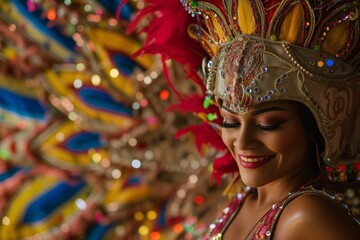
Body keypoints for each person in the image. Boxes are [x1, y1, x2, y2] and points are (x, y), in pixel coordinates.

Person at [130, 0, 360, 239]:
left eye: (267, 125)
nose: (243, 142)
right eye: (231, 122)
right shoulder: (241, 201)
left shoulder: (308, 216)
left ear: (315, 126)